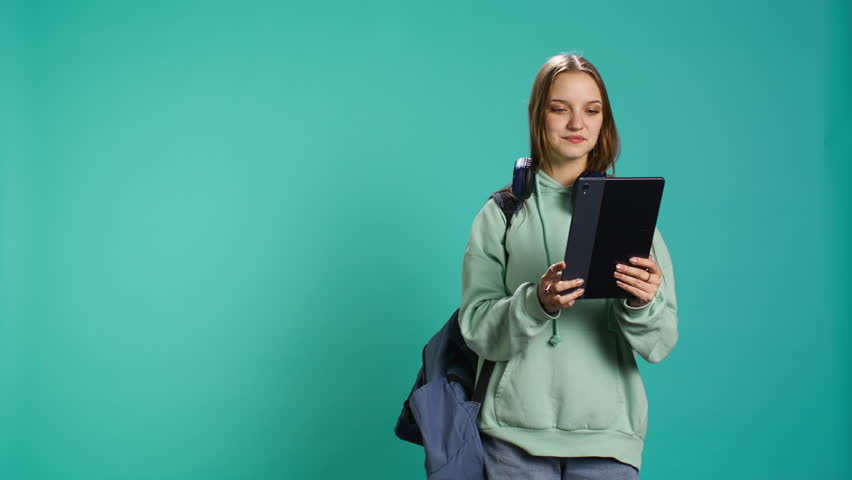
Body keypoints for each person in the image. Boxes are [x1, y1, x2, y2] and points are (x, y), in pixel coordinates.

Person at [458, 52, 679, 479]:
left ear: (604, 122)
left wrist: (641, 304)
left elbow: (661, 341)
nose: (577, 124)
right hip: (511, 440)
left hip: (609, 438)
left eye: (591, 111)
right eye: (560, 109)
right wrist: (535, 303)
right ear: (538, 116)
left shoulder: (632, 213)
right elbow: (477, 330)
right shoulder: (503, 213)